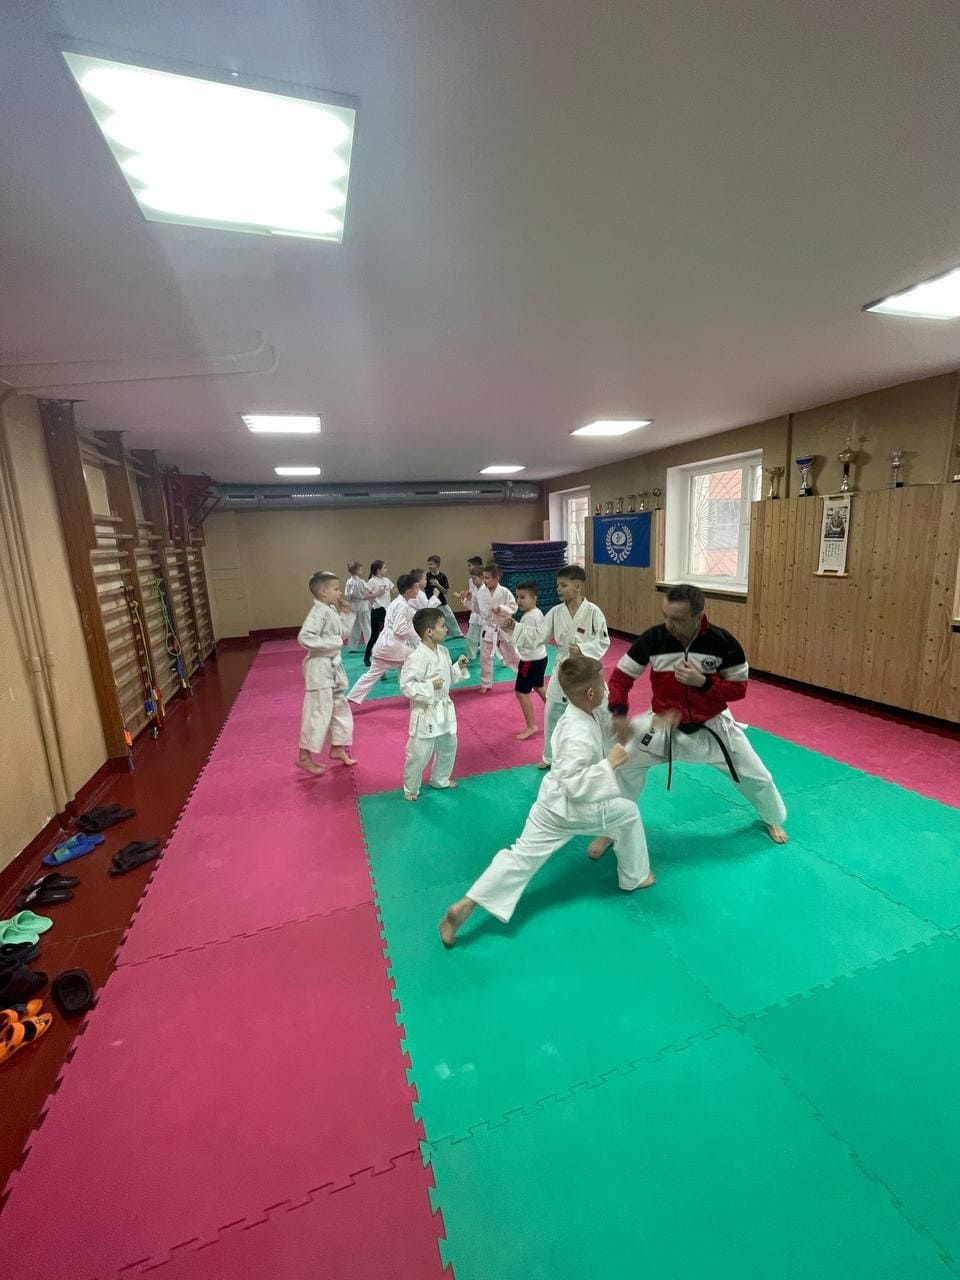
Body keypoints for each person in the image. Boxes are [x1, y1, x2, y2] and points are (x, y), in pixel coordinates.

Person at [438, 655, 653, 947]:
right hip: (574, 807)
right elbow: (575, 783)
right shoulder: (578, 733)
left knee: (520, 856)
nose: (606, 687)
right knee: (628, 812)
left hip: (549, 804)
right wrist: (609, 764)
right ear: (591, 692)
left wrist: (635, 725)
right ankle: (634, 877)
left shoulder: (579, 710)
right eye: (602, 683)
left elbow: (606, 721)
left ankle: (466, 904)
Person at [601, 582, 788, 845]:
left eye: (676, 619)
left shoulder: (722, 642)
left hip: (713, 725)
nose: (668, 624)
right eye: (665, 616)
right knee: (624, 767)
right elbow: (622, 677)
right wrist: (619, 712)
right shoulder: (654, 639)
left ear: (698, 616)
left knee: (759, 778)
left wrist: (704, 682)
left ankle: (771, 817)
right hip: (662, 724)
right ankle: (613, 828)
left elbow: (739, 689)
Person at [504, 564, 609, 768]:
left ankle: (605, 755)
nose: (558, 589)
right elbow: (538, 635)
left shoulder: (593, 612)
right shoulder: (555, 612)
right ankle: (549, 756)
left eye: (563, 585)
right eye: (557, 585)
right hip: (563, 667)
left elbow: (603, 641)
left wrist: (583, 649)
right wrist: (515, 628)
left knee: (600, 710)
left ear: (577, 586)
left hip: (587, 668)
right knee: (552, 710)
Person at [399, 608, 471, 800]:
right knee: (419, 752)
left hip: (444, 708)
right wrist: (429, 686)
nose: (446, 629)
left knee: (449, 745)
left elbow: (447, 679)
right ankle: (411, 788)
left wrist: (458, 667)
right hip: (426, 711)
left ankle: (440, 779)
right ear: (429, 631)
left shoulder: (444, 651)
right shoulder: (416, 658)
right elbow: (406, 686)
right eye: (442, 626)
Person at [296, 570, 357, 776]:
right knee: (318, 713)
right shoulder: (318, 611)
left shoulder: (329, 609)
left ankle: (337, 747)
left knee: (340, 708)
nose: (340, 593)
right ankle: (304, 757)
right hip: (319, 668)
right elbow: (305, 637)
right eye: (336, 589)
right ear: (323, 592)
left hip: (332, 668)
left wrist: (346, 614)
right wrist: (333, 642)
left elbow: (342, 635)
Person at [348, 573, 420, 704]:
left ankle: (351, 697)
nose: (418, 590)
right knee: (418, 659)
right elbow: (399, 629)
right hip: (392, 645)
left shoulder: (398, 603)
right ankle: (414, 692)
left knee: (373, 674)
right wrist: (417, 634)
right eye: (416, 588)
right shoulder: (402, 605)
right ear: (409, 591)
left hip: (385, 645)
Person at [512, 581, 548, 740]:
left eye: (522, 597)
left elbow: (525, 640)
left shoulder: (528, 617)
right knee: (538, 686)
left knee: (521, 693)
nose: (519, 601)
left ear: (534, 599)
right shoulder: (537, 613)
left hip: (530, 661)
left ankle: (531, 726)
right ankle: (559, 713)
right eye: (517, 597)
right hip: (540, 657)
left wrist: (510, 631)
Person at [476, 562, 519, 692]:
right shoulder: (481, 592)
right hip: (488, 628)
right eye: (483, 577)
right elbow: (477, 608)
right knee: (485, 657)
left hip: (503, 627)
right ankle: (486, 683)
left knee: (513, 655)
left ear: (497, 578)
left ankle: (526, 680)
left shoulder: (504, 591)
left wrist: (501, 609)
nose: (484, 580)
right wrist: (467, 600)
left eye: (488, 578)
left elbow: (514, 607)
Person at [425, 555, 464, 640]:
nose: (429, 566)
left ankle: (457, 633)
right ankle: (431, 636)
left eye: (431, 564)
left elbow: (446, 592)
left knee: (450, 617)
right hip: (430, 602)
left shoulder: (442, 576)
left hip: (441, 601)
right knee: (431, 620)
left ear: (437, 565)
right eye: (428, 564)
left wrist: (438, 585)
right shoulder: (426, 576)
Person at [363, 561, 394, 666]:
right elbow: (365, 596)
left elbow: (394, 591)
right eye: (384, 568)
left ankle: (388, 656)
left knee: (390, 633)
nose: (386, 569)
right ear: (378, 570)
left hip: (387, 610)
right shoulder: (372, 581)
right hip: (377, 609)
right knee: (375, 635)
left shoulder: (387, 580)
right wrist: (377, 593)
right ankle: (367, 657)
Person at [344, 560, 373, 652]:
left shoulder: (348, 582)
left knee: (354, 627)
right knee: (366, 626)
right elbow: (367, 593)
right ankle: (370, 646)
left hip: (353, 605)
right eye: (360, 569)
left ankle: (352, 647)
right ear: (357, 570)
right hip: (362, 605)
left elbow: (347, 595)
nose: (361, 571)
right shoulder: (361, 582)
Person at [459, 562, 485, 662]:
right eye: (472, 578)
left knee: (485, 639)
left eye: (474, 578)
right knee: (471, 638)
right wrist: (468, 599)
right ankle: (471, 655)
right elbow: (471, 606)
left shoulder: (486, 590)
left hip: (485, 619)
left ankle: (494, 656)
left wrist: (470, 600)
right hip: (475, 617)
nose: (472, 581)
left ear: (482, 577)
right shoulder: (474, 589)